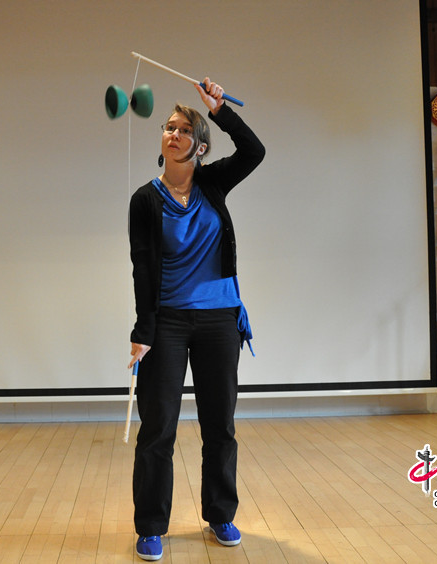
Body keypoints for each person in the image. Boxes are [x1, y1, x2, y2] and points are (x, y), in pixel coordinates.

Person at [127, 77, 265, 561]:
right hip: (167, 323)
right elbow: (142, 267)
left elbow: (254, 150)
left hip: (218, 321)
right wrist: (142, 331)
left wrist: (220, 108)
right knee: (158, 427)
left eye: (185, 129)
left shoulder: (212, 183)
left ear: (200, 146)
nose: (173, 133)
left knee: (219, 425)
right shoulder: (145, 200)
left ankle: (221, 514)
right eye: (168, 127)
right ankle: (150, 526)